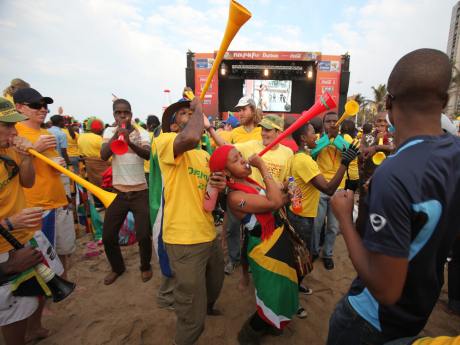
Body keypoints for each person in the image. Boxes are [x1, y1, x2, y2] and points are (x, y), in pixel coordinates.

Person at [327, 48, 460, 344]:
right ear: (445, 100)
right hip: (416, 314)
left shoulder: (395, 175)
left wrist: (345, 220)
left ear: (388, 102)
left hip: (369, 320)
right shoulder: (454, 154)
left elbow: (385, 290)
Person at [153, 97, 225, 345]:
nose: (191, 115)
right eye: (184, 114)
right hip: (183, 240)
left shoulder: (203, 156)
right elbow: (191, 137)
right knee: (190, 307)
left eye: (190, 111)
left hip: (208, 234)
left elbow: (210, 193)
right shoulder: (164, 142)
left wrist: (219, 185)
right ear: (173, 126)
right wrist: (200, 110)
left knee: (215, 283)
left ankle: (207, 306)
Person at [209, 145, 297, 345]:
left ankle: (274, 325)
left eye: (240, 155)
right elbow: (273, 203)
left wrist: (286, 194)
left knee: (283, 287)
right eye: (235, 159)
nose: (242, 159)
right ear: (226, 173)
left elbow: (274, 200)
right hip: (264, 249)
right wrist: (263, 166)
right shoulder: (235, 197)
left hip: (276, 240)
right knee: (272, 294)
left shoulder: (249, 182)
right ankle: (248, 335)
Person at [0, 97, 64, 345]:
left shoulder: (9, 151)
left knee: (33, 292)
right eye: (7, 126)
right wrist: (10, 224)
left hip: (24, 237)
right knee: (11, 313)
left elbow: (26, 182)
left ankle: (34, 329)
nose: (14, 132)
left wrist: (27, 156)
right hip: (6, 249)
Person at [288, 122, 359, 316]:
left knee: (302, 258)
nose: (316, 137)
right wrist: (344, 163)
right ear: (303, 138)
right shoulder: (304, 161)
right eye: (313, 133)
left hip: (301, 214)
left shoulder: (300, 157)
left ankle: (297, 286)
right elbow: (328, 188)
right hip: (301, 218)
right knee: (299, 261)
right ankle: (292, 301)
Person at [14, 88, 75, 276]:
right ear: (19, 108)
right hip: (36, 206)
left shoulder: (46, 133)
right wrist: (36, 150)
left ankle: (64, 284)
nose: (43, 109)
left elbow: (49, 164)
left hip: (58, 201)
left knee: (64, 251)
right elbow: (14, 172)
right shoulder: (14, 133)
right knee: (42, 258)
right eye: (36, 105)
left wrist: (59, 166)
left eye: (45, 106)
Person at [100, 99, 152, 285]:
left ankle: (145, 266)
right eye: (118, 113)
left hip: (140, 192)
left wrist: (129, 142)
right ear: (114, 115)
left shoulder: (142, 133)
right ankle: (117, 268)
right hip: (119, 193)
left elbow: (148, 155)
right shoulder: (108, 132)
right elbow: (103, 155)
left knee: (144, 235)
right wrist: (117, 137)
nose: (122, 116)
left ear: (131, 113)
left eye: (126, 112)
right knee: (107, 236)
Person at [309, 112, 349, 269]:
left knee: (333, 226)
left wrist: (335, 139)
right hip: (320, 187)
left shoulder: (344, 141)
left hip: (338, 189)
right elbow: (312, 153)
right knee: (317, 225)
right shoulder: (318, 140)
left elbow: (348, 153)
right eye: (328, 121)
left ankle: (328, 254)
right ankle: (314, 251)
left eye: (335, 121)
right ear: (323, 124)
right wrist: (327, 140)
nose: (332, 124)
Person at [78, 118, 109, 188]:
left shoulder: (81, 137)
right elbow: (108, 155)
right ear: (96, 128)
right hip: (101, 167)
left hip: (89, 168)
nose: (102, 130)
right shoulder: (98, 138)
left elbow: (80, 153)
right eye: (101, 128)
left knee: (95, 187)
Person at [340, 119, 360, 192]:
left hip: (344, 177)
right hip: (354, 176)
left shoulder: (339, 139)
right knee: (349, 200)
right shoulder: (356, 141)